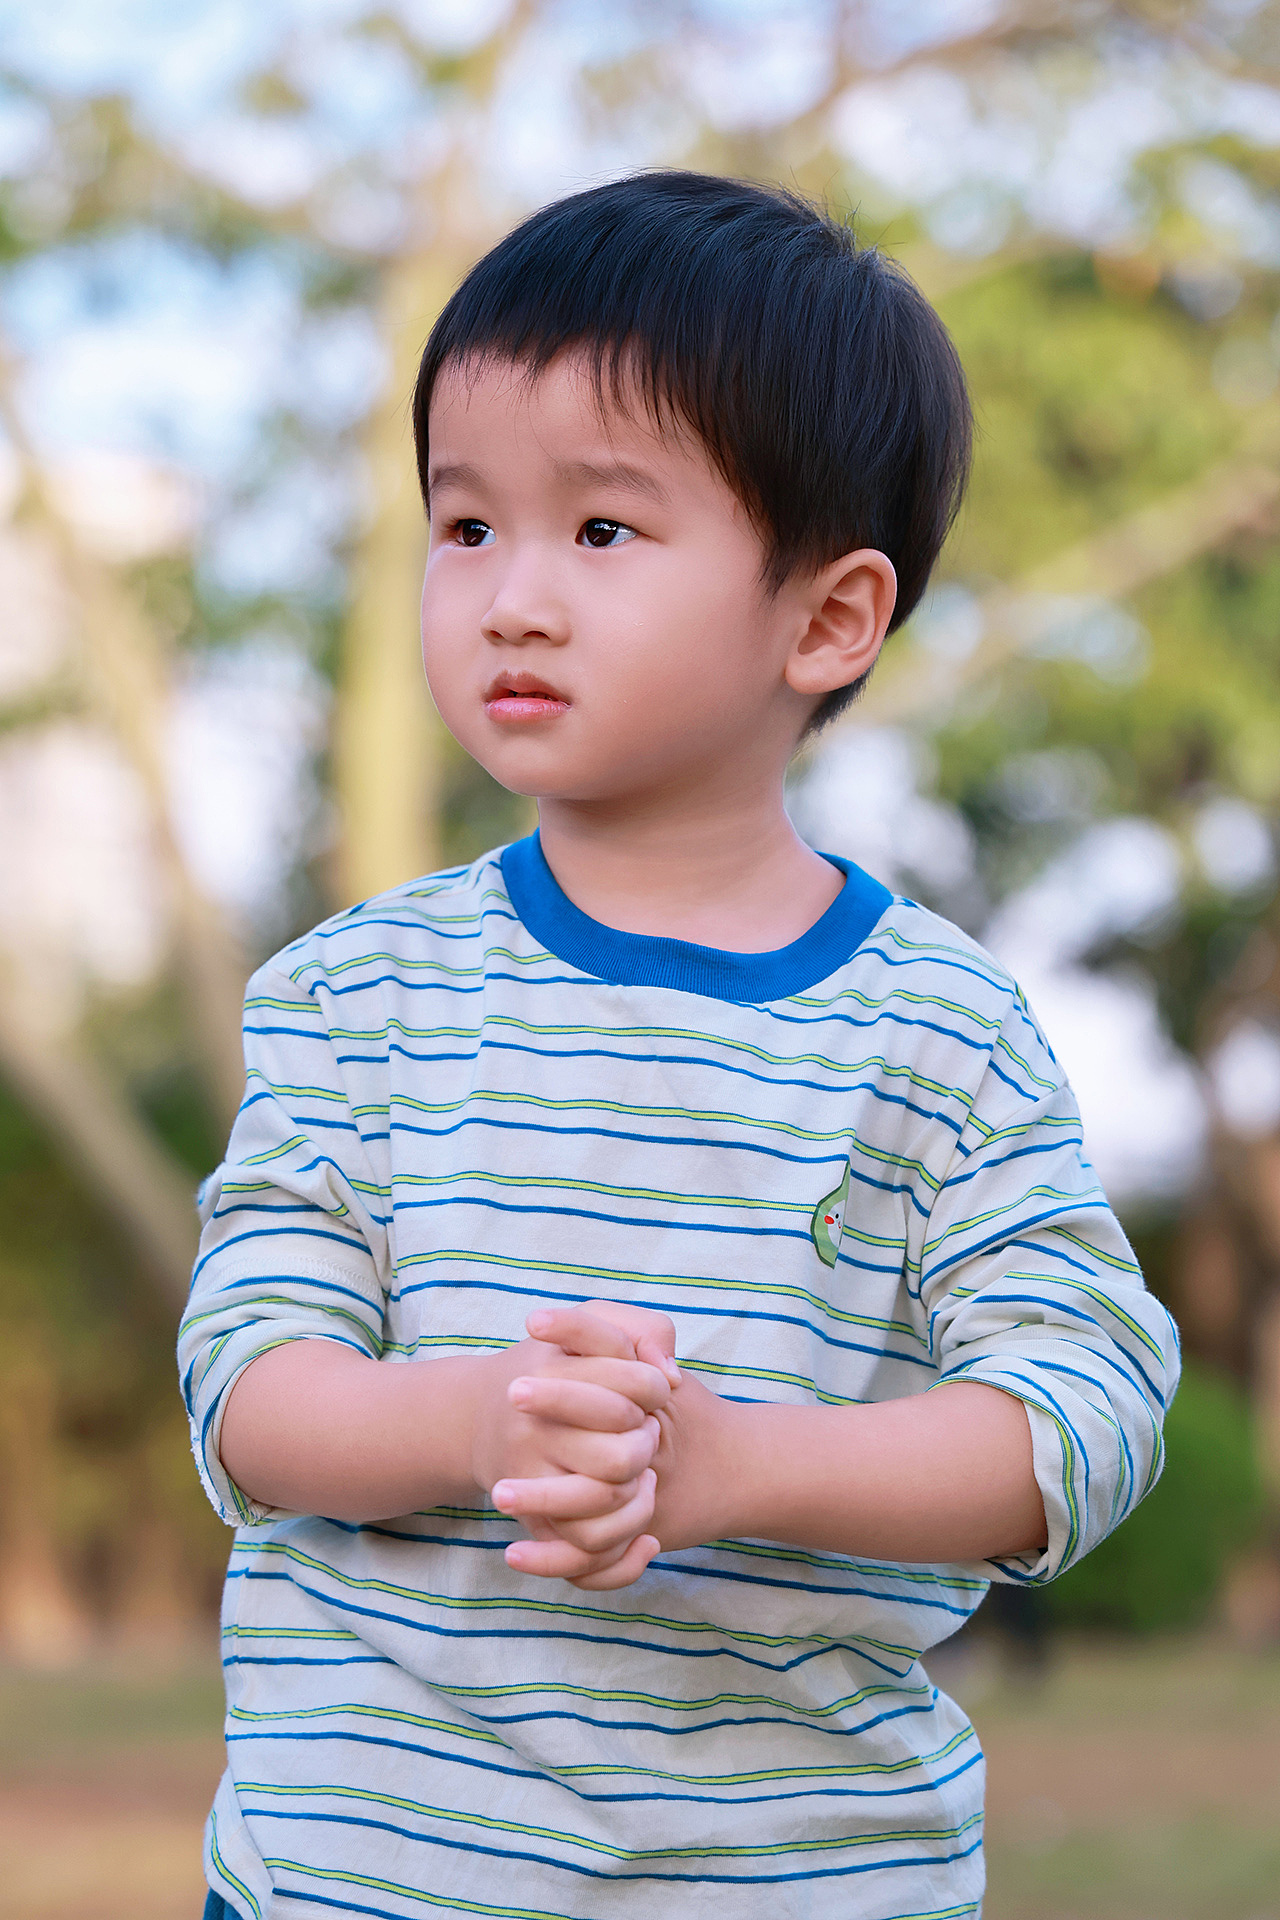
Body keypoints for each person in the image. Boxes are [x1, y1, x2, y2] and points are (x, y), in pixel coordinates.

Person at [179, 171, 1179, 1920]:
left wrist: (731, 1466)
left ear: (827, 618)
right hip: (357, 1882)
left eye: (604, 532)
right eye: (466, 525)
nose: (509, 599)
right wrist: (488, 1416)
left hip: (795, 1880)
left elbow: (1080, 1413)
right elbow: (252, 1388)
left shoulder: (937, 1036)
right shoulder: (356, 993)